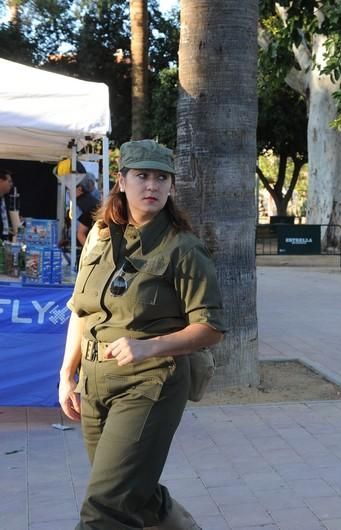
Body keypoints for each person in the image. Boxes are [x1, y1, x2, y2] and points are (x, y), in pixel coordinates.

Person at [58, 139, 226, 529]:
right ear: (122, 181)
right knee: (134, 492)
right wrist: (68, 375)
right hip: (96, 382)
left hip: (151, 382)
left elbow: (211, 328)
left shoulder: (183, 248)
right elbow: (81, 310)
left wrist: (148, 347)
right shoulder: (100, 235)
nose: (151, 186)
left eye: (161, 178)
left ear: (171, 187)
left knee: (104, 509)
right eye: (142, 176)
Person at [75, 174, 100, 246]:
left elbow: (80, 234)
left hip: (90, 243)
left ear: (79, 189)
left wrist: (88, 252)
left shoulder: (87, 204)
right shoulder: (87, 201)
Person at [0, 169, 13, 241]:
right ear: (1, 181)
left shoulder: (4, 199)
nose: (11, 184)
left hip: (4, 239)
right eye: (9, 181)